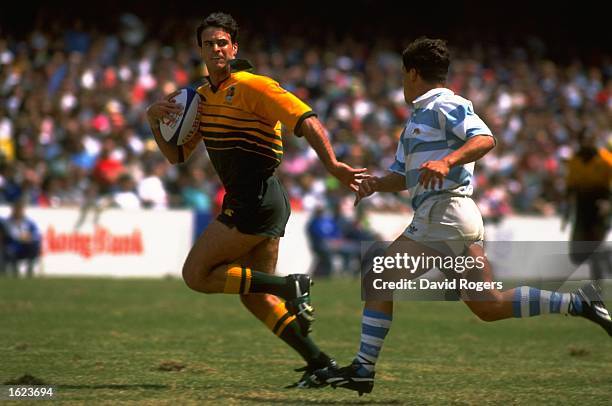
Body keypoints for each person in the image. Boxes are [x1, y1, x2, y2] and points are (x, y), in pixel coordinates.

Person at [311, 37, 612, 395]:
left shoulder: (444, 104)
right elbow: (405, 176)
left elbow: (484, 138)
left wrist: (448, 160)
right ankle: (579, 302)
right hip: (453, 214)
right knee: (488, 305)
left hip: (446, 211)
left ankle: (362, 369)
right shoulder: (417, 120)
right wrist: (376, 184)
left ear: (412, 73)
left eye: (403, 76)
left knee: (378, 276)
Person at [145, 12, 366, 387]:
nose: (215, 48)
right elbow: (177, 156)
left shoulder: (254, 85)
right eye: (208, 43)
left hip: (257, 198)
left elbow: (307, 119)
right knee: (254, 295)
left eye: (222, 42)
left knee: (195, 276)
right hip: (259, 199)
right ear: (199, 49)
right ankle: (321, 365)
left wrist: (333, 165)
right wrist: (153, 121)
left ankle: (290, 287)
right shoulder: (200, 97)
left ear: (234, 48)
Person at [563, 130, 611, 281]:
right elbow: (571, 188)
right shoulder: (574, 161)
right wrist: (566, 214)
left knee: (595, 248)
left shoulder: (606, 159)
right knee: (576, 255)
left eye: (591, 139)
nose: (589, 143)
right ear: (581, 141)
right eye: (586, 140)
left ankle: (596, 289)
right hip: (582, 210)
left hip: (600, 209)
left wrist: (609, 203)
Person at [0, 200, 41, 277]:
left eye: (20, 209)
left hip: (26, 246)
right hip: (13, 246)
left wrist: (30, 237)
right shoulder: (7, 222)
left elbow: (36, 234)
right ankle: (15, 274)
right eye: (16, 209)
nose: (19, 212)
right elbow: (11, 234)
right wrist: (20, 237)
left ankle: (30, 272)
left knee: (34, 247)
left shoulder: (29, 222)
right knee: (8, 251)